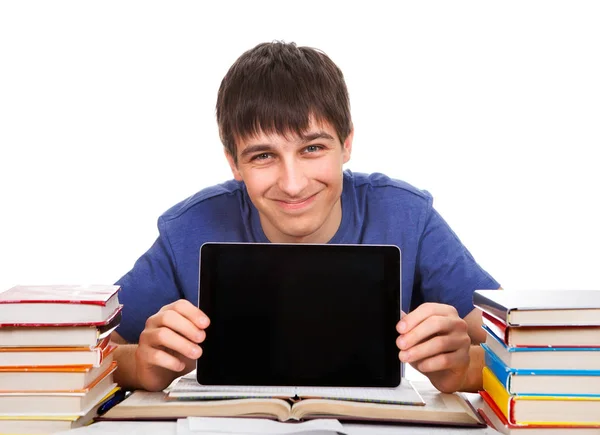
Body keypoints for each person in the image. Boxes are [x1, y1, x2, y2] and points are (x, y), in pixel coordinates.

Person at [110, 41, 500, 394]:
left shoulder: (406, 214)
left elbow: (514, 348)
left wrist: (465, 366)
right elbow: (89, 350)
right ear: (234, 163)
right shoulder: (188, 228)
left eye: (312, 148)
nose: (293, 184)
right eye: (263, 156)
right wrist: (139, 366)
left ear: (346, 143)